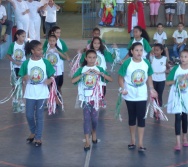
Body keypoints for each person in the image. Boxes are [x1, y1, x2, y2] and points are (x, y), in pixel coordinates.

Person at [118, 42, 157, 152]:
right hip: (129, 93)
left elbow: (149, 76)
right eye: (136, 50)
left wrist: (151, 88)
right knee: (132, 117)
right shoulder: (127, 63)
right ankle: (132, 140)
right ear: (132, 52)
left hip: (141, 94)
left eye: (141, 50)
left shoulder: (146, 62)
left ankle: (140, 142)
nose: (139, 52)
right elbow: (120, 77)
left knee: (141, 117)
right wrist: (122, 88)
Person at [72, 49, 113, 151]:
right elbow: (73, 80)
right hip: (85, 99)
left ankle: (94, 131)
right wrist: (83, 74)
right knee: (86, 119)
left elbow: (110, 79)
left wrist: (101, 74)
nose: (92, 59)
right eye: (89, 57)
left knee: (94, 119)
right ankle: (87, 140)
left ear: (96, 59)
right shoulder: (81, 69)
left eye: (94, 57)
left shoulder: (99, 69)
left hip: (95, 98)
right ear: (86, 58)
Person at [18, 40, 55, 147]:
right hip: (30, 92)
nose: (41, 51)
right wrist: (24, 77)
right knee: (29, 115)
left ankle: (38, 137)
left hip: (42, 92)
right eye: (38, 49)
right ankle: (33, 131)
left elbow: (52, 75)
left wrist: (49, 80)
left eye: (41, 49)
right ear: (32, 51)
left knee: (39, 116)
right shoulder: (26, 63)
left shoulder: (45, 62)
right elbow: (21, 75)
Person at [80, 37, 114, 107]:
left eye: (98, 43)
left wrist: (115, 50)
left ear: (101, 44)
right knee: (91, 90)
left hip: (101, 75)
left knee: (102, 91)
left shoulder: (104, 52)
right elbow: (82, 62)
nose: (96, 45)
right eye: (95, 43)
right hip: (90, 75)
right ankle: (90, 104)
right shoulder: (88, 52)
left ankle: (98, 104)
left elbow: (111, 59)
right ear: (92, 44)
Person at [166, 49, 188, 150]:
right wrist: (177, 80)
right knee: (178, 117)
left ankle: (185, 138)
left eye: (186, 57)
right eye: (182, 56)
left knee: (185, 117)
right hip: (176, 97)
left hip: (186, 97)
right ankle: (178, 141)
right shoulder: (176, 69)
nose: (183, 59)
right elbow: (167, 82)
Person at [43, 26, 70, 94]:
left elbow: (65, 54)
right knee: (51, 85)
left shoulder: (61, 43)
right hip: (49, 69)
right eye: (57, 32)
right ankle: (52, 99)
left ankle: (58, 98)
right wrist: (46, 51)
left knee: (59, 84)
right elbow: (42, 54)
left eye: (59, 33)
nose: (58, 34)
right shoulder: (47, 44)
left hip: (59, 69)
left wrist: (69, 59)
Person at [151, 43, 167, 111]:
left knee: (159, 94)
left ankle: (159, 109)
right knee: (154, 95)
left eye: (157, 50)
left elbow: (168, 68)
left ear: (161, 51)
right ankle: (155, 109)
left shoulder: (165, 59)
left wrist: (166, 70)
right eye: (154, 50)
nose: (155, 52)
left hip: (161, 80)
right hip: (153, 79)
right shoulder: (151, 58)